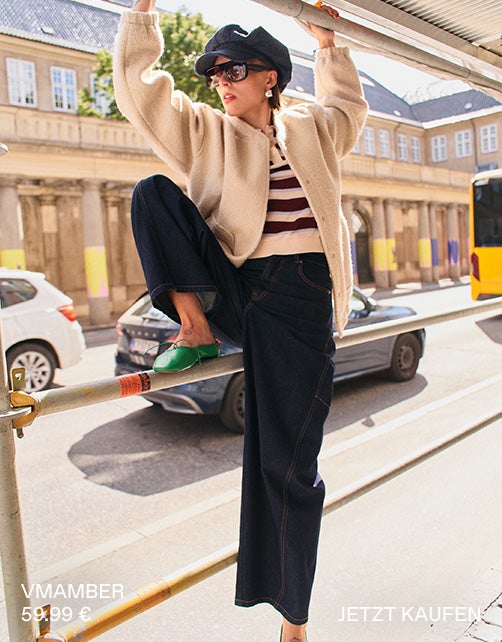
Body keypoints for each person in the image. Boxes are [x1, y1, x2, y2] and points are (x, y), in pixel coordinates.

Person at [113, 1, 368, 639]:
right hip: (235, 284)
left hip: (303, 300)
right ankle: (194, 328)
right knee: (151, 193)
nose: (220, 82)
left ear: (269, 77)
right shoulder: (206, 131)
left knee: (287, 463)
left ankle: (292, 618)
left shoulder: (311, 127)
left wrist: (329, 46)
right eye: (213, 73)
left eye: (233, 70)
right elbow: (141, 95)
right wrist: (140, 13)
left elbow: (348, 108)